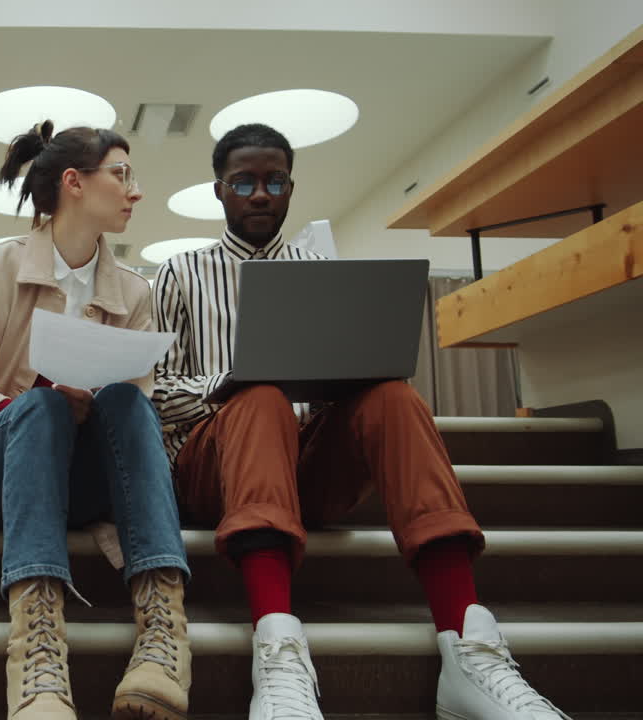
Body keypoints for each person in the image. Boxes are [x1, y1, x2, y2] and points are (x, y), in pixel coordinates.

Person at [151, 123, 571, 720]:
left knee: (391, 396)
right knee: (261, 394)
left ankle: (471, 651)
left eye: (275, 181)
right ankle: (277, 649)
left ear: (291, 188)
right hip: (212, 472)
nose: (261, 193)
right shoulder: (179, 272)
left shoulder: (320, 269)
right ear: (220, 191)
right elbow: (154, 391)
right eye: (244, 181)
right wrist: (230, 384)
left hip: (303, 469)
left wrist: (342, 378)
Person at [0, 120, 192, 720]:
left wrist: (96, 400)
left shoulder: (135, 291)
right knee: (40, 406)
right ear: (74, 183)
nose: (134, 190)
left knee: (128, 403)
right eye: (121, 173)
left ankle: (164, 635)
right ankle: (36, 648)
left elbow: (132, 406)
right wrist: (29, 403)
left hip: (84, 472)